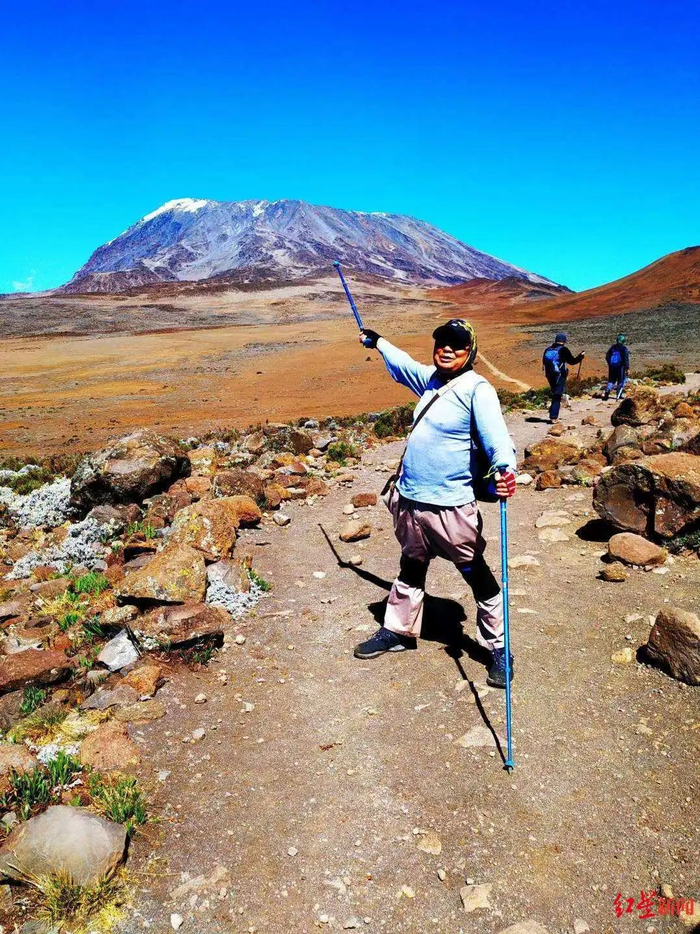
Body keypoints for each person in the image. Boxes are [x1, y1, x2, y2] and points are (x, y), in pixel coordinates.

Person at [352, 319, 517, 688]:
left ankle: (498, 648)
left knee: (475, 572)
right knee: (411, 565)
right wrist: (379, 342)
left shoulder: (477, 389)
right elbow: (403, 364)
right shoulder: (430, 380)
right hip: (411, 500)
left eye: (457, 345)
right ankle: (398, 630)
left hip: (451, 505)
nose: (447, 349)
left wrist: (505, 470)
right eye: (441, 342)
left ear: (470, 351)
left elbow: (498, 439)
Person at [542, 332, 585, 422]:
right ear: (564, 341)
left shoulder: (548, 349)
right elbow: (572, 361)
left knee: (554, 392)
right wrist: (580, 356)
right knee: (557, 395)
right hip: (559, 375)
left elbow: (544, 362)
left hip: (549, 374)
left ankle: (552, 410)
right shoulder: (564, 350)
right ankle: (554, 417)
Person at [603, 333, 630, 401]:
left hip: (612, 367)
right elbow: (626, 359)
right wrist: (627, 368)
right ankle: (618, 395)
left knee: (611, 380)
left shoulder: (612, 347)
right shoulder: (624, 349)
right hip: (620, 367)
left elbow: (607, 357)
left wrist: (610, 364)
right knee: (620, 381)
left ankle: (607, 390)